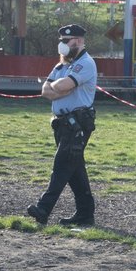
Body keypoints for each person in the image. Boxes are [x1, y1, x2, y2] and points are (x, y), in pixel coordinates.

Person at [27, 24, 99, 227]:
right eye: (61, 40)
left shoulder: (85, 63)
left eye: (66, 41)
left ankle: (44, 208)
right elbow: (45, 90)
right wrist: (59, 89)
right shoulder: (62, 65)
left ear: (78, 41)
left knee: (61, 166)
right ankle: (85, 213)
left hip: (77, 123)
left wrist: (58, 89)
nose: (62, 44)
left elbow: (61, 86)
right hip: (62, 124)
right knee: (74, 169)